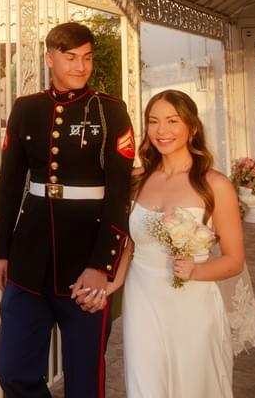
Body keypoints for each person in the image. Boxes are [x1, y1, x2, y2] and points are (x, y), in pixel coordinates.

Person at [0, 21, 137, 398]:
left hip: (84, 265)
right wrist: (0, 251)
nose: (80, 66)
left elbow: (119, 195)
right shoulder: (27, 109)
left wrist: (101, 266)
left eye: (87, 58)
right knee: (11, 369)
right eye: (70, 57)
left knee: (85, 381)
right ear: (49, 58)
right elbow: (9, 187)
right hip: (28, 260)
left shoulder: (110, 111)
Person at [87, 89, 246, 397]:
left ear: (192, 127)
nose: (162, 131)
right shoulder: (138, 179)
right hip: (143, 300)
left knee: (192, 384)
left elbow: (234, 260)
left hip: (193, 305)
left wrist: (195, 272)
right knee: (145, 383)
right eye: (153, 121)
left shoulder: (215, 185)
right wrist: (111, 284)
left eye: (172, 121)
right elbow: (130, 248)